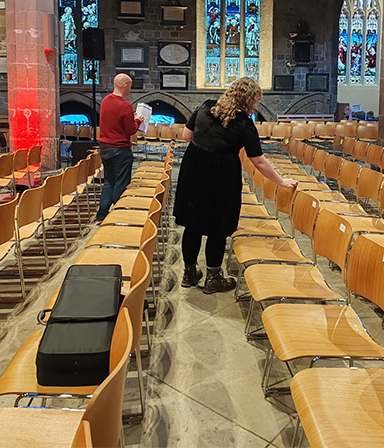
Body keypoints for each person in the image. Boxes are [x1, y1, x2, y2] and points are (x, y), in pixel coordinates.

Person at [174, 77, 297, 293]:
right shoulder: (244, 124)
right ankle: (213, 278)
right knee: (217, 226)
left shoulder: (205, 107)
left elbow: (186, 136)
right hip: (222, 174)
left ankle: (189, 272)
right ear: (247, 101)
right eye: (255, 102)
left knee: (192, 223)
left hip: (193, 168)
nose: (255, 106)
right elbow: (258, 160)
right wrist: (281, 181)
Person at [94, 73, 146, 223]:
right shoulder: (125, 105)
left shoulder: (106, 101)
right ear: (125, 86)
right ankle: (118, 214)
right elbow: (130, 130)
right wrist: (138, 121)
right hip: (120, 149)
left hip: (105, 148)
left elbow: (114, 121)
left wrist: (131, 117)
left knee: (109, 181)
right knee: (121, 183)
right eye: (129, 85)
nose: (130, 89)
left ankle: (102, 215)